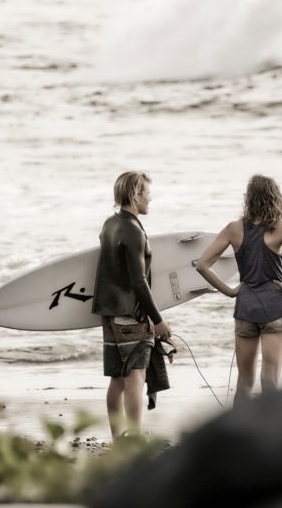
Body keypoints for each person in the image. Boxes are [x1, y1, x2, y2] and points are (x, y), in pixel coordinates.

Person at [197, 174, 282, 407]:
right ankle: (270, 433)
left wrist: (230, 291)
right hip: (275, 307)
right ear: (276, 198)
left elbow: (202, 264)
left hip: (245, 308)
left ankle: (240, 435)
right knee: (270, 376)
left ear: (249, 198)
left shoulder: (233, 229)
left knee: (244, 380)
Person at [92, 171, 172, 440]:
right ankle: (135, 438)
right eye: (148, 193)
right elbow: (139, 282)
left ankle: (118, 439)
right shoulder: (134, 231)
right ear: (136, 194)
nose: (150, 198)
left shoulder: (109, 224)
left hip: (109, 315)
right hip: (131, 315)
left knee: (117, 379)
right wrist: (157, 319)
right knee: (136, 378)